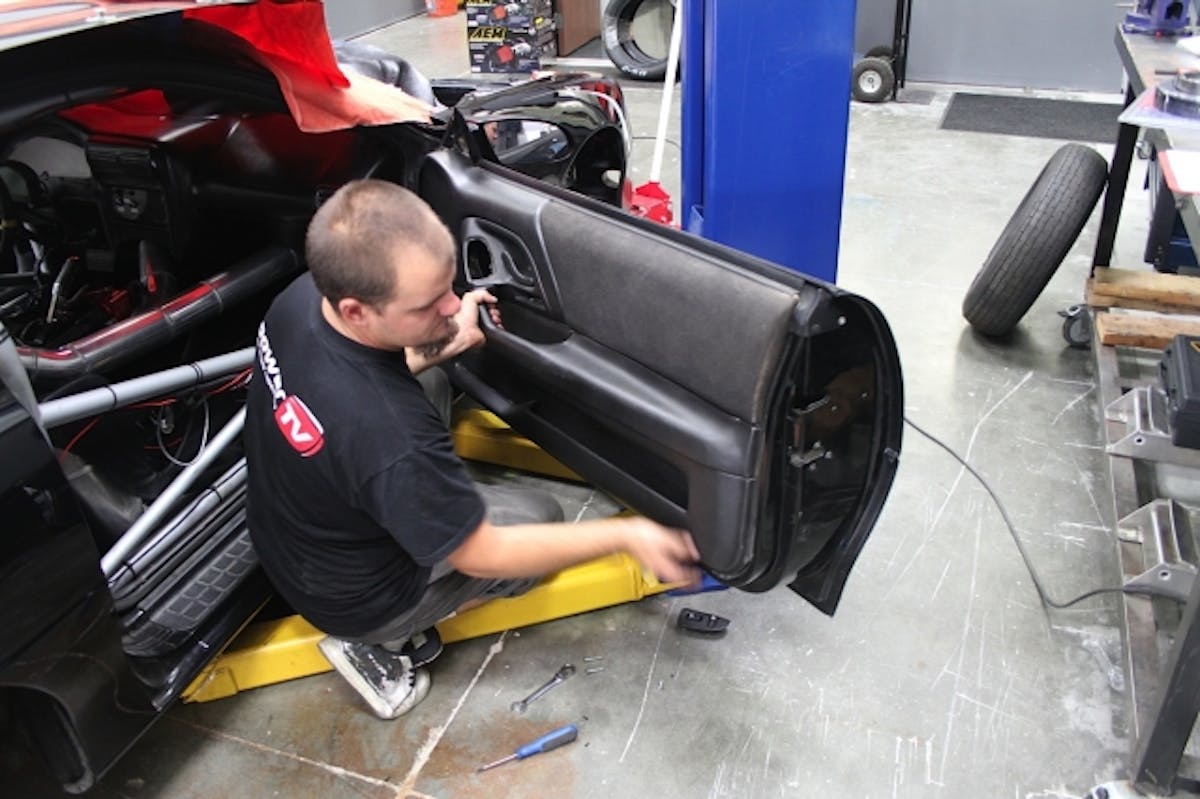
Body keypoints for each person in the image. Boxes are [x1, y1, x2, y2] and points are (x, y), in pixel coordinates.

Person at [244, 179, 701, 720]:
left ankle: (413, 520)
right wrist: (627, 534)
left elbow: (362, 387)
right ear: (357, 310)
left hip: (289, 536)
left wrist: (447, 338)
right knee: (539, 518)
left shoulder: (301, 299)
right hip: (359, 600)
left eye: (448, 286)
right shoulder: (390, 434)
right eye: (427, 304)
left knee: (432, 380)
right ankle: (380, 640)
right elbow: (481, 554)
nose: (452, 306)